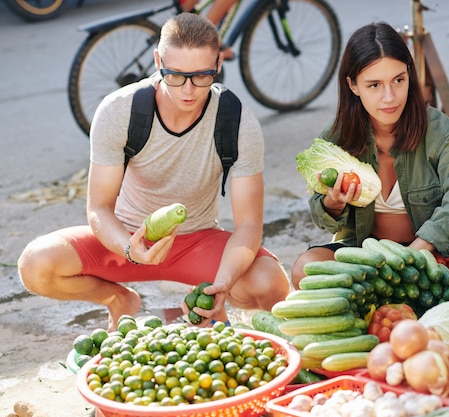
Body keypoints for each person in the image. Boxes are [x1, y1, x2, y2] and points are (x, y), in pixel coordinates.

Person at [17, 13, 290, 331]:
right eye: (176, 75)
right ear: (158, 60)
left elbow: (248, 226)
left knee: (271, 285)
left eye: (201, 76)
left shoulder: (237, 120)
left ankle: (201, 296)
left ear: (217, 63)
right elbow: (99, 209)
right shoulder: (119, 110)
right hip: (127, 237)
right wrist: (130, 247)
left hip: (196, 240)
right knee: (36, 264)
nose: (188, 90)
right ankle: (119, 300)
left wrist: (221, 285)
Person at [290, 22, 449, 289]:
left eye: (398, 80)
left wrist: (416, 252)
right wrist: (333, 203)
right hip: (366, 257)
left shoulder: (437, 129)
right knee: (305, 270)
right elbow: (320, 213)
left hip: (429, 254)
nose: (389, 97)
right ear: (353, 85)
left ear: (409, 75)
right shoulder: (337, 138)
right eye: (374, 85)